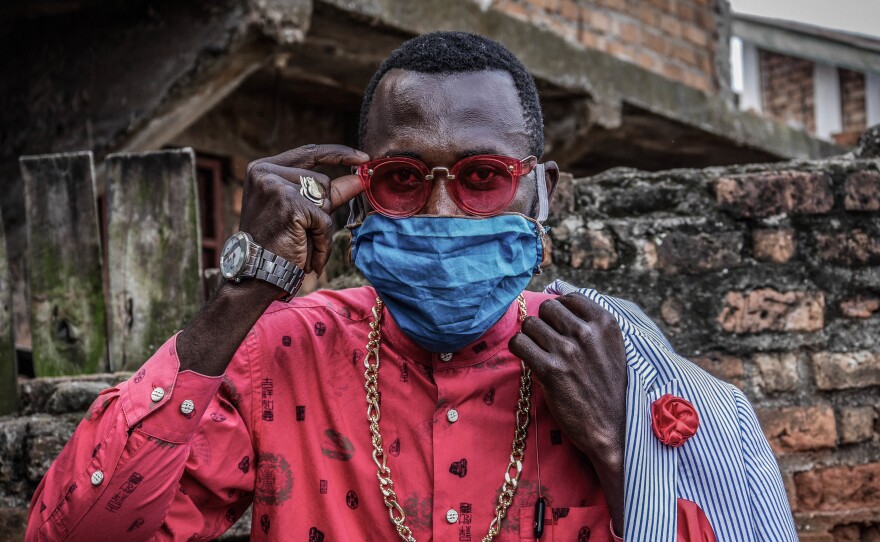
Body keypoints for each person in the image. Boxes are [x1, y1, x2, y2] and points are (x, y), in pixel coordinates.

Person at [25, 32, 796, 541]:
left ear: (545, 192)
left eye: (483, 177)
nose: (441, 210)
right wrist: (240, 296)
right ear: (362, 187)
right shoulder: (285, 352)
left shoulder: (613, 368)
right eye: (400, 179)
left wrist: (620, 450)